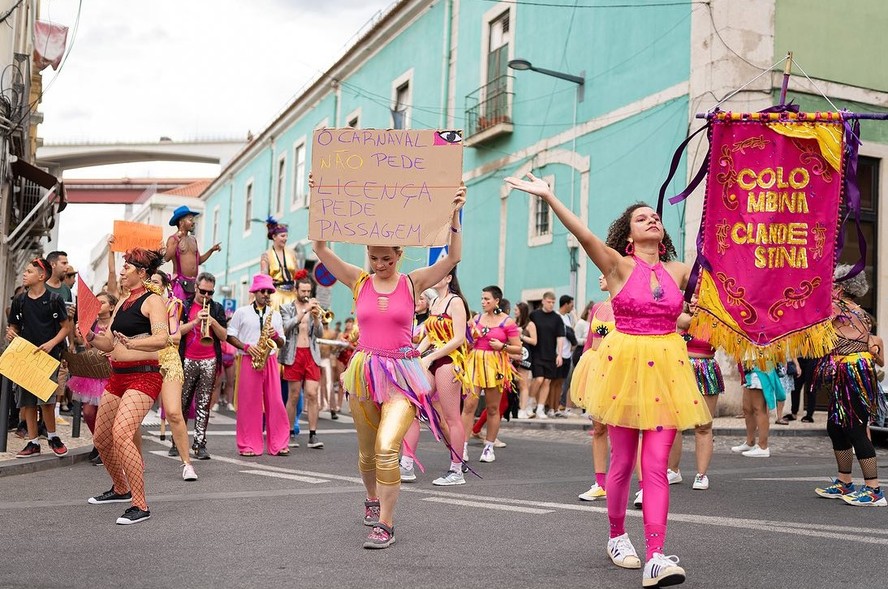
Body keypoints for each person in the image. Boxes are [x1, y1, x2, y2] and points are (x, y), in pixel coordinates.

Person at [507, 172, 711, 586]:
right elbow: (583, 235)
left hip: (667, 370)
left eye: (655, 216)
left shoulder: (680, 270)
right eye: (641, 218)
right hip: (623, 368)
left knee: (654, 465)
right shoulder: (618, 265)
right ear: (630, 237)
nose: (652, 219)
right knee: (621, 463)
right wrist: (549, 196)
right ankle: (617, 536)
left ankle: (656, 555)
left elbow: (721, 286)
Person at [311, 173, 465, 549]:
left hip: (402, 372)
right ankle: (372, 497)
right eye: (374, 257)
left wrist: (455, 217)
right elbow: (321, 248)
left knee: (386, 448)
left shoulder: (412, 283)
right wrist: (320, 197)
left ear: (399, 255)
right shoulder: (358, 280)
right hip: (364, 371)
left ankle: (386, 524)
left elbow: (454, 256)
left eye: (386, 258)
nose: (379, 264)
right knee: (366, 454)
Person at [86, 247, 169, 525]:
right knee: (101, 439)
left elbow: (162, 339)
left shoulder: (152, 300)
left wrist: (134, 343)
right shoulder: (122, 302)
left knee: (122, 433)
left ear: (142, 272)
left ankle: (140, 505)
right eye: (122, 268)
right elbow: (109, 343)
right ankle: (120, 488)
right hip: (118, 377)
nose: (122, 272)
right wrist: (88, 335)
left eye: (127, 268)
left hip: (144, 376)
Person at [813, 265, 886, 506]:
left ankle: (874, 489)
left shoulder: (839, 308)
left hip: (853, 372)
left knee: (855, 428)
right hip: (845, 372)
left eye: (833, 284)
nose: (830, 288)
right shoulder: (851, 310)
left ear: (841, 287)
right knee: (836, 427)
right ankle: (845, 482)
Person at [402, 268, 472, 486]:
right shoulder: (434, 303)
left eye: (439, 274)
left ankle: (456, 470)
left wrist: (431, 357)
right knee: (413, 409)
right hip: (431, 359)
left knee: (451, 418)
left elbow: (459, 338)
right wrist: (416, 353)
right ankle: (406, 464)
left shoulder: (456, 302)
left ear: (449, 278)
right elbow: (430, 336)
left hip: (449, 362)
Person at [7, 257, 72, 459]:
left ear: (41, 276)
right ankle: (33, 442)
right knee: (27, 401)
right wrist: (10, 332)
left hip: (48, 357)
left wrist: (52, 343)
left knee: (46, 400)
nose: (25, 274)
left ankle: (52, 437)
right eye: (25, 271)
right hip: (24, 356)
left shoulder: (54, 300)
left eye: (29, 271)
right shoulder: (20, 300)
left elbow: (65, 327)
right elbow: (14, 327)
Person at [226, 274, 288, 457]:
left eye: (269, 291)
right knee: (248, 404)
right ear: (254, 292)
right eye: (263, 291)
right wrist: (246, 347)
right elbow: (230, 335)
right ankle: (248, 445)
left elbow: (282, 341)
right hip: (248, 358)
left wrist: (275, 336)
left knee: (276, 402)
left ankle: (279, 443)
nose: (266, 294)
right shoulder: (242, 312)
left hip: (269, 359)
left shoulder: (275, 315)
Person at [668, 295, 723, 490]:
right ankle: (673, 471)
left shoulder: (716, 319)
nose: (693, 301)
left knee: (703, 425)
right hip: (680, 370)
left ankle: (701, 475)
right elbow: (686, 321)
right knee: (674, 424)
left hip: (706, 369)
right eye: (690, 297)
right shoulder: (680, 317)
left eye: (698, 297)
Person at [461, 286, 521, 465]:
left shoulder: (507, 322)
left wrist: (502, 346)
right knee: (469, 404)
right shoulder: (477, 319)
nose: (483, 302)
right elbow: (467, 341)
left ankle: (489, 446)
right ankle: (462, 446)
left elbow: (518, 348)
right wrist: (469, 340)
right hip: (475, 362)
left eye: (487, 299)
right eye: (482, 299)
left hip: (496, 364)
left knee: (493, 408)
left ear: (497, 301)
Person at [148, 271, 198, 481]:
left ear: (166, 285)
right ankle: (132, 462)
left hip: (168, 360)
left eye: (156, 282)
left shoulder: (172, 304)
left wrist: (153, 338)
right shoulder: (143, 304)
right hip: (145, 360)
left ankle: (187, 464)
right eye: (149, 282)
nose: (152, 285)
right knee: (133, 415)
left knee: (174, 413)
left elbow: (176, 337)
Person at [177, 272, 228, 460]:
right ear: (196, 288)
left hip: (209, 360)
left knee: (203, 404)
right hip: (187, 359)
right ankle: (178, 441)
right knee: (182, 402)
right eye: (203, 291)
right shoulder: (185, 306)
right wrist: (196, 321)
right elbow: (177, 331)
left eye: (210, 293)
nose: (206, 296)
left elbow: (223, 336)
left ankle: (200, 443)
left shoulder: (217, 308)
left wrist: (212, 321)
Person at [67, 291, 117, 464]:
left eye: (102, 302)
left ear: (111, 306)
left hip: (111, 372)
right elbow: (85, 345)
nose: (98, 305)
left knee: (107, 413)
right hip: (93, 372)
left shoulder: (116, 323)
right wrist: (80, 334)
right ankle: (99, 442)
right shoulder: (92, 322)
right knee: (88, 412)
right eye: (96, 302)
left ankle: (105, 447)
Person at [577, 275, 614, 502]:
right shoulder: (598, 307)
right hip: (596, 370)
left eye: (604, 272)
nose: (600, 276)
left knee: (629, 431)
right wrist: (582, 379)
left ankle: (643, 486)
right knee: (599, 429)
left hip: (619, 370)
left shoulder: (629, 306)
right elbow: (589, 343)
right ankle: (600, 484)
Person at [280, 272, 325, 449]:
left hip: (311, 354)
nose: (306, 294)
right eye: (303, 291)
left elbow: (319, 333)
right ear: (296, 290)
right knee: (293, 395)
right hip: (294, 353)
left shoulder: (315, 309)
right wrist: (304, 312)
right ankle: (289, 432)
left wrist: (315, 317)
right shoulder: (287, 308)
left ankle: (313, 434)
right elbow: (285, 327)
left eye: (308, 291)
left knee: (313, 394)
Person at [164, 205, 221, 301]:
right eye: (190, 219)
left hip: (194, 283)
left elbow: (199, 261)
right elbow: (167, 258)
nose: (193, 222)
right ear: (181, 222)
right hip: (180, 283)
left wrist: (211, 250)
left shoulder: (193, 239)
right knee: (180, 311)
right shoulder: (173, 239)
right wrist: (176, 241)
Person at [528, 291, 565, 418]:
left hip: (550, 354)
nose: (551, 305)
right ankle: (529, 402)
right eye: (549, 302)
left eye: (553, 303)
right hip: (537, 353)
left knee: (547, 381)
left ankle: (540, 408)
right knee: (538, 379)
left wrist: (559, 355)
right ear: (543, 301)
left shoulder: (557, 318)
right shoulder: (534, 315)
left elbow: (560, 337)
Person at [731, 365, 778, 458]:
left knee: (759, 409)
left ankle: (763, 446)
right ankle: (750, 442)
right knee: (747, 408)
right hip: (748, 369)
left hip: (759, 368)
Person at [260, 217, 299, 310]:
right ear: (274, 237)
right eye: (282, 236)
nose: (285, 239)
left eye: (286, 236)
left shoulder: (292, 253)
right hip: (275, 296)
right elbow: (264, 277)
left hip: (292, 295)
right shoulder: (266, 255)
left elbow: (297, 275)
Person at [514, 302, 537, 419]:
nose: (514, 312)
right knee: (517, 383)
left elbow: (534, 341)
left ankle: (523, 409)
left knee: (523, 383)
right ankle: (518, 406)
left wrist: (521, 335)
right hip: (514, 354)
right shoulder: (514, 322)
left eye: (516, 310)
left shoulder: (530, 324)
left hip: (525, 355)